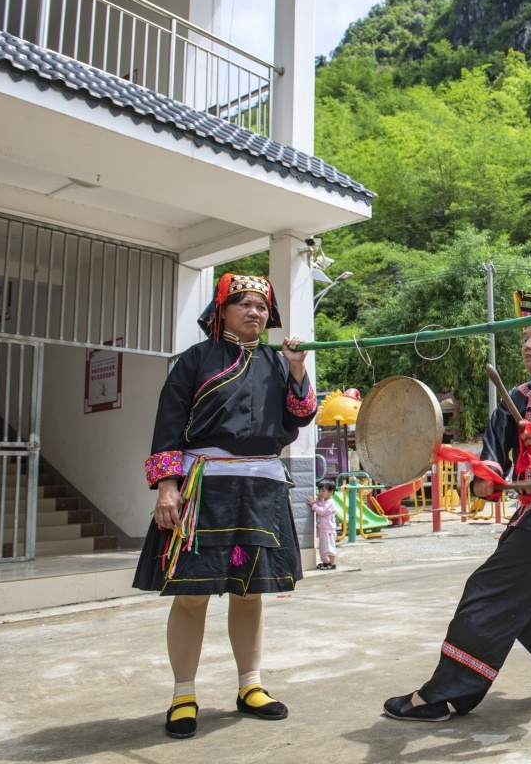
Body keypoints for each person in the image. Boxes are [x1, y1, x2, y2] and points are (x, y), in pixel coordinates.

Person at [382, 291, 531, 721]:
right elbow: (493, 457)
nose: (527, 345)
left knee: (488, 591)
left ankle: (449, 693)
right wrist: (486, 482)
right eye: (525, 337)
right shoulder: (511, 400)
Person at [132, 273, 316, 739]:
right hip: (203, 489)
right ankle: (183, 694)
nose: (254, 312)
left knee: (250, 590)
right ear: (221, 311)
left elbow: (300, 416)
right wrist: (166, 488)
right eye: (244, 303)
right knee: (191, 594)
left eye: (261, 306)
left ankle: (250, 686)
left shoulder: (278, 361)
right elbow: (168, 425)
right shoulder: (195, 360)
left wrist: (297, 369)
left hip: (260, 488)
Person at [307, 479, 338, 570]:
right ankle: (326, 562)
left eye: (323, 491)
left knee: (329, 547)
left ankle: (332, 563)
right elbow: (319, 507)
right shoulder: (324, 502)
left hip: (329, 530)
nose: (320, 492)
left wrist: (313, 504)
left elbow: (321, 511)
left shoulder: (329, 503)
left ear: (331, 492)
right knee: (323, 547)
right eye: (319, 490)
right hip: (323, 529)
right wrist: (316, 502)